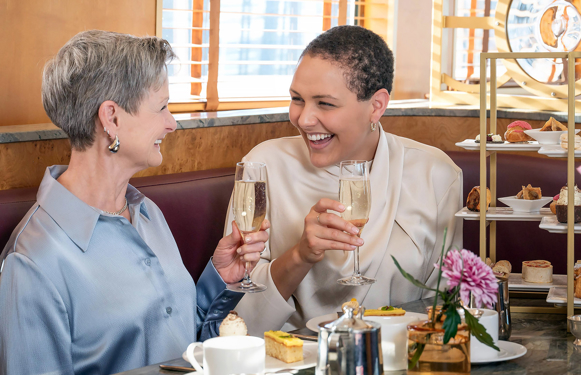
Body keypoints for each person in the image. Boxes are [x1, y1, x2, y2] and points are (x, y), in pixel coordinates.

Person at [0, 30, 268, 375]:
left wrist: (220, 278)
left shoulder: (146, 212)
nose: (172, 123)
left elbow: (185, 350)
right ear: (111, 118)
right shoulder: (32, 264)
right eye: (161, 107)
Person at [224, 25, 463, 335]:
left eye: (325, 103)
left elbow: (445, 309)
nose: (305, 119)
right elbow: (237, 320)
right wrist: (300, 255)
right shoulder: (263, 166)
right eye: (297, 99)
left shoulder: (436, 175)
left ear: (376, 106)